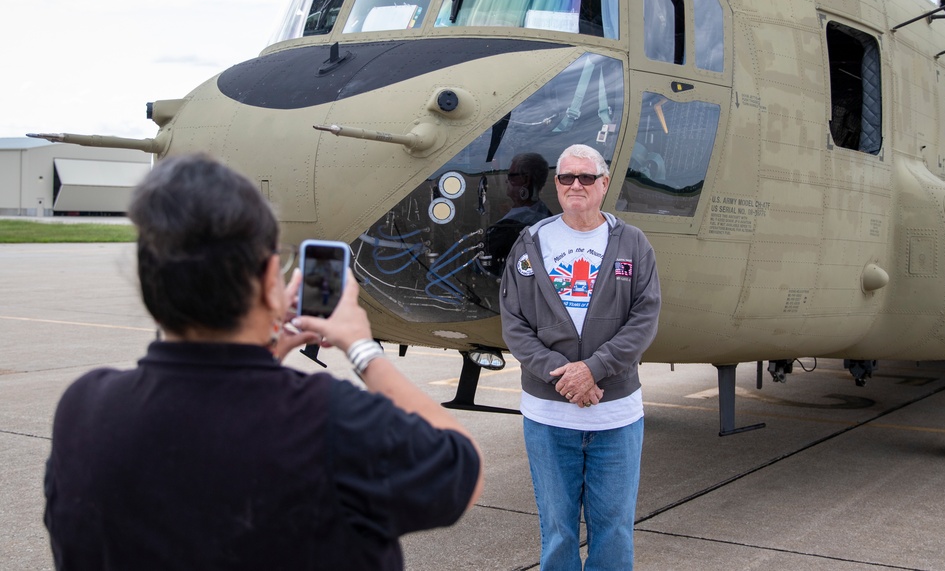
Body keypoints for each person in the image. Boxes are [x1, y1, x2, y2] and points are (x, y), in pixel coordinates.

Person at [44, 154, 483, 570]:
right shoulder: (333, 419)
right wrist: (361, 348)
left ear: (149, 286)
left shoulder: (83, 408)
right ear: (271, 280)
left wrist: (265, 350)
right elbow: (461, 466)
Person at [499, 144, 660, 570]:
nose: (576, 185)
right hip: (549, 419)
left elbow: (645, 318)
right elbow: (514, 323)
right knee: (557, 530)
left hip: (616, 418)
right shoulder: (531, 242)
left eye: (587, 178)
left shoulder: (633, 243)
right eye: (567, 177)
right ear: (556, 184)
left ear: (604, 184)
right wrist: (564, 376)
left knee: (614, 528)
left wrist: (594, 369)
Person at [484, 152, 552, 275]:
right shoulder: (545, 214)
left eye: (511, 176)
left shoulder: (515, 226)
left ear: (525, 181)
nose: (506, 180)